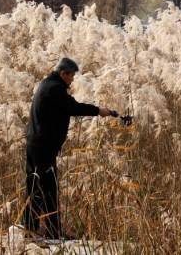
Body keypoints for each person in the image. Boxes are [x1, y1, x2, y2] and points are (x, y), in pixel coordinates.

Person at [22, 57, 115, 239]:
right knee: (49, 189)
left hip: (35, 144)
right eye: (71, 76)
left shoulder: (46, 84)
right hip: (43, 147)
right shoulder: (55, 88)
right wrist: (99, 111)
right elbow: (73, 107)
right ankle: (52, 232)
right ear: (64, 73)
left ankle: (30, 228)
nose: (72, 80)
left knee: (35, 187)